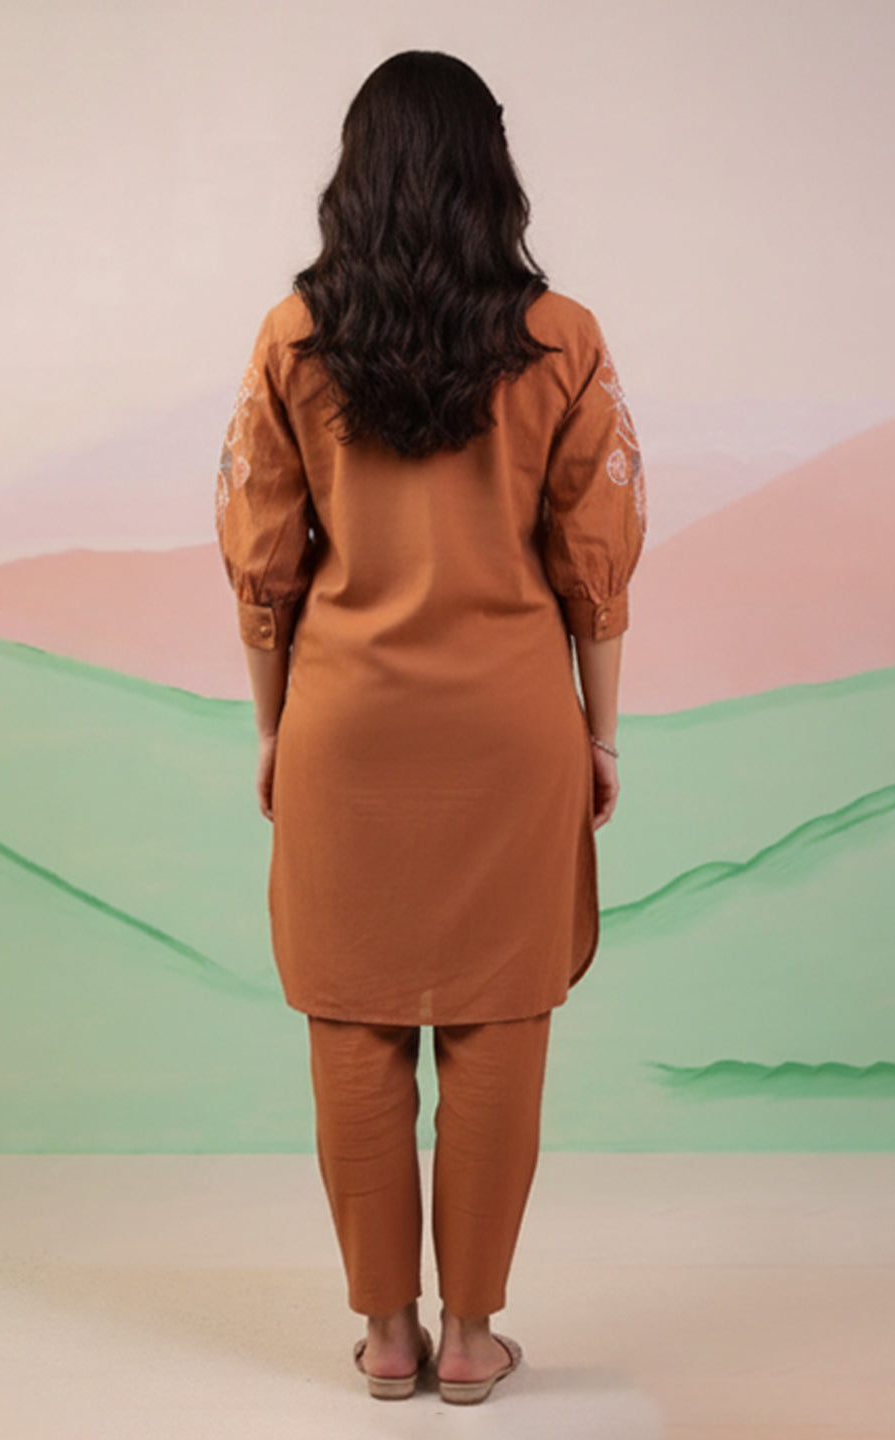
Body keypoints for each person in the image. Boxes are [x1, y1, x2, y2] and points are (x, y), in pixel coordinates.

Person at [214, 49, 646, 1405]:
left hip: (344, 724)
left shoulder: (294, 338)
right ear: (489, 172)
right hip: (512, 730)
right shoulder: (561, 338)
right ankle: (471, 1337)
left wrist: (276, 729)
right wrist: (600, 735)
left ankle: (387, 1335)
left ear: (356, 173)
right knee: (498, 1025)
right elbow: (598, 564)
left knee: (352, 1025)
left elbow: (261, 566)